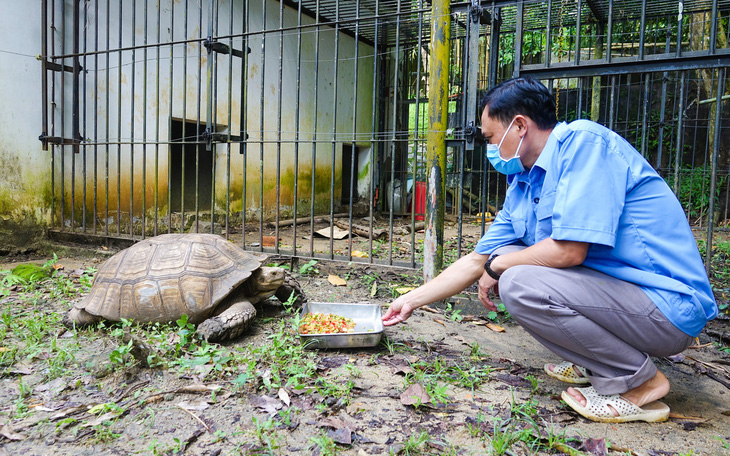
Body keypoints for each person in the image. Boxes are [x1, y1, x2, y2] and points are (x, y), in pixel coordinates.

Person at [382, 77, 717, 423]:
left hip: (666, 307)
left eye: (490, 137)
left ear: (520, 126)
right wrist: (410, 300)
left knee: (518, 281)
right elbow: (476, 260)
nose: (490, 148)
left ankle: (640, 381)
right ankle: (594, 360)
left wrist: (500, 266)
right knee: (512, 257)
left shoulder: (584, 146)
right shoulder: (525, 183)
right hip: (624, 299)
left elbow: (569, 252)